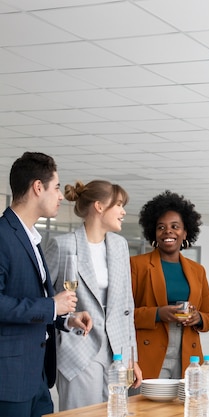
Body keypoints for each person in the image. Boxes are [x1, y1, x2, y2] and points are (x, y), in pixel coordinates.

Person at [0, 152, 92, 417]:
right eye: (56, 188)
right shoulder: (3, 235)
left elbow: (36, 301)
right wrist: (52, 305)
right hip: (10, 381)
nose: (61, 196)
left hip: (39, 378)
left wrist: (65, 319)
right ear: (37, 188)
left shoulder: (32, 237)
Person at [44, 180, 143, 410]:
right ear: (99, 207)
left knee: (116, 413)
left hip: (117, 353)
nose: (123, 211)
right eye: (118, 204)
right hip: (79, 348)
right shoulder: (64, 245)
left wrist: (132, 357)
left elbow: (127, 306)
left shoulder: (120, 245)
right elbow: (43, 298)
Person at [131, 190, 209, 379]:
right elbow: (123, 315)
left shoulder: (197, 270)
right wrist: (158, 313)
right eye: (161, 227)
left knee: (184, 408)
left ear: (185, 232)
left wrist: (198, 318)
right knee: (149, 408)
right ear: (153, 231)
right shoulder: (137, 265)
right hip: (149, 353)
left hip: (188, 355)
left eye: (175, 226)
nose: (168, 231)